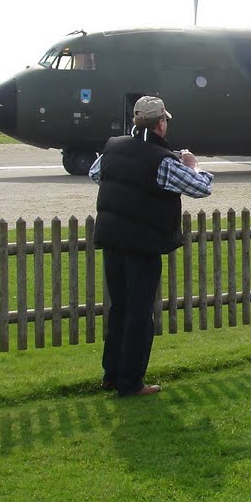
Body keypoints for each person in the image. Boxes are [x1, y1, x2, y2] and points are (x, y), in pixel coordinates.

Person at [90, 96, 213, 396]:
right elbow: (201, 188)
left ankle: (112, 374)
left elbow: (96, 173)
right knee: (139, 313)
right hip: (142, 246)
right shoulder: (161, 160)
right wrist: (193, 166)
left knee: (119, 308)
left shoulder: (113, 147)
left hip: (112, 241)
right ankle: (131, 383)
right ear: (160, 123)